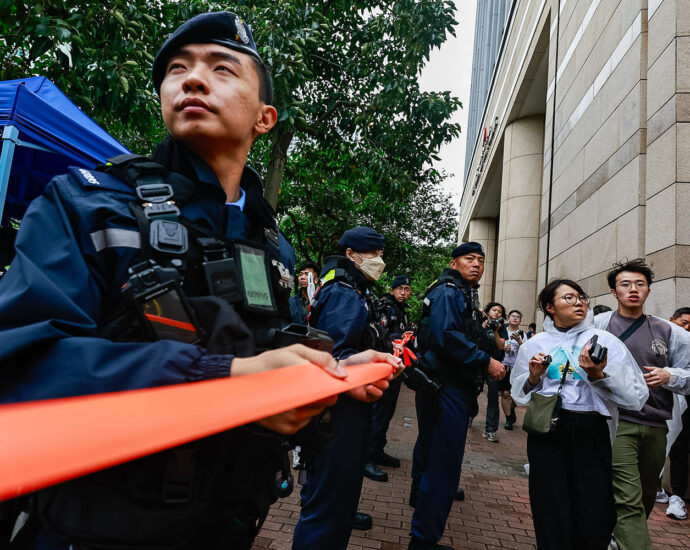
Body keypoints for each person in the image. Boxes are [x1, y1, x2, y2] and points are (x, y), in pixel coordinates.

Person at [0, 12, 392, 550]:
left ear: (265, 117)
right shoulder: (87, 205)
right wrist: (227, 380)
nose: (192, 78)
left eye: (223, 68)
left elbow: (264, 357)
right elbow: (22, 367)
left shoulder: (272, 244)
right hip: (93, 530)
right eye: (177, 68)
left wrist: (330, 376)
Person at [512, 279, 648, 550]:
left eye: (580, 297)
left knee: (594, 508)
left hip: (591, 429)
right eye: (569, 298)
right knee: (550, 505)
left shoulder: (605, 341)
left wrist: (598, 375)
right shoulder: (536, 343)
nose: (579, 303)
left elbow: (636, 397)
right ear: (549, 307)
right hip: (548, 431)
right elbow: (520, 394)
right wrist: (534, 377)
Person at [292, 226, 400, 550]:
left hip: (341, 409)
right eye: (372, 253)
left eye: (381, 253)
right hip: (338, 411)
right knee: (329, 504)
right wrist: (368, 360)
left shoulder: (351, 289)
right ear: (351, 255)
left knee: (331, 498)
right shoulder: (344, 292)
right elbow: (333, 356)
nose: (378, 260)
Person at [409, 242, 505, 550]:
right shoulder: (450, 292)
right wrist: (485, 360)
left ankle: (421, 512)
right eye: (469, 259)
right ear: (454, 263)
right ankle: (424, 539)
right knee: (444, 464)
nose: (476, 264)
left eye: (480, 260)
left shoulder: (459, 291)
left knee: (431, 452)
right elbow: (446, 336)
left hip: (445, 384)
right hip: (446, 385)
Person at [593, 259, 690, 550]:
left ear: (648, 290)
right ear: (614, 292)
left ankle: (615, 536)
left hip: (657, 425)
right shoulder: (599, 324)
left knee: (648, 493)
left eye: (639, 284)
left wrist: (669, 375)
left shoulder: (671, 332)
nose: (633, 289)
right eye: (625, 284)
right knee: (628, 495)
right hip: (617, 422)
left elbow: (688, 372)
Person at [364, 275, 413, 482]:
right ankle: (367, 458)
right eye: (400, 288)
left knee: (387, 413)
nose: (403, 292)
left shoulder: (402, 311)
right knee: (378, 413)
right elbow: (381, 337)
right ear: (392, 290)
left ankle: (378, 451)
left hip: (396, 369)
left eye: (407, 289)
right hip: (383, 367)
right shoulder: (385, 307)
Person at [666, 306, 690, 520]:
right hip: (671, 404)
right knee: (677, 450)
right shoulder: (664, 342)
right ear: (672, 320)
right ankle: (676, 496)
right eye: (684, 322)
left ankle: (677, 497)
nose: (687, 328)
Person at [481, 302, 508, 442]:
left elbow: (501, 345)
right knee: (472, 392)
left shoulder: (502, 328)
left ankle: (490, 429)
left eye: (500, 311)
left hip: (495, 364)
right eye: (494, 310)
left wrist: (496, 331)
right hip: (479, 362)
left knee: (492, 397)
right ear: (488, 311)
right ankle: (469, 415)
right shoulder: (480, 322)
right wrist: (482, 328)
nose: (497, 313)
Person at [501, 309, 524, 430]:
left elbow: (527, 350)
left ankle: (511, 409)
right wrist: (503, 347)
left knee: (516, 395)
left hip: (517, 368)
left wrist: (519, 341)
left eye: (517, 317)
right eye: (512, 316)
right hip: (504, 365)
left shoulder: (523, 334)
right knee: (505, 393)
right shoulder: (502, 331)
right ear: (508, 318)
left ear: (520, 321)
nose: (515, 318)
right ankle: (508, 419)